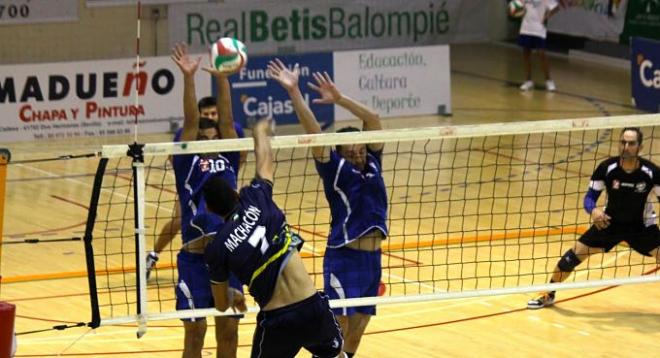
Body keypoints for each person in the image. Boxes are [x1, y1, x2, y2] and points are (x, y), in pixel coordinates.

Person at [268, 59, 387, 358]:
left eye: (360, 150)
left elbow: (372, 118)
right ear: (340, 154)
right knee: (338, 328)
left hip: (372, 260)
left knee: (356, 334)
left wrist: (341, 99)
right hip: (344, 257)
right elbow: (315, 133)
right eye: (352, 152)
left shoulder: (373, 161)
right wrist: (294, 91)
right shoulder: (333, 169)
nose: (359, 155)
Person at [203, 118, 346, 358]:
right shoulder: (256, 198)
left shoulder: (217, 248)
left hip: (279, 320)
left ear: (210, 210)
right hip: (312, 306)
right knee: (337, 355)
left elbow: (220, 305)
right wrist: (259, 131)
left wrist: (231, 294)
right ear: (236, 194)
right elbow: (265, 163)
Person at [168, 42, 244, 358]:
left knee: (228, 333)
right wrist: (189, 77)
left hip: (229, 255)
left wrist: (223, 78)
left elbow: (227, 122)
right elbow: (189, 123)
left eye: (215, 136)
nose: (211, 139)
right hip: (194, 260)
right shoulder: (186, 160)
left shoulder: (229, 158)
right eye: (205, 136)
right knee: (195, 335)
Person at [527, 127, 660, 309]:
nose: (626, 147)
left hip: (642, 227)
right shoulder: (607, 168)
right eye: (623, 142)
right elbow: (589, 198)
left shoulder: (652, 172)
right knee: (570, 257)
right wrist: (593, 211)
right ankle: (547, 293)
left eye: (631, 143)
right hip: (608, 223)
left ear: (640, 147)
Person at [145, 95, 246, 280]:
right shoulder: (188, 132)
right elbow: (174, 158)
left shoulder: (232, 129)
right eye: (206, 113)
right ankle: (153, 255)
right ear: (199, 114)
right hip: (194, 187)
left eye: (214, 112)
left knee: (227, 221)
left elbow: (242, 153)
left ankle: (217, 261)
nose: (211, 116)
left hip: (220, 187)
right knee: (178, 220)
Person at [517, 0, 559, 92]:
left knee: (541, 53)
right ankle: (528, 80)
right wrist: (517, 12)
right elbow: (518, 5)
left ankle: (549, 80)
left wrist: (547, 16)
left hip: (538, 28)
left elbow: (556, 7)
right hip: (526, 27)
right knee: (526, 53)